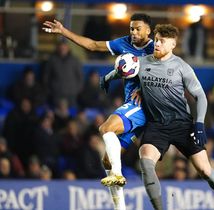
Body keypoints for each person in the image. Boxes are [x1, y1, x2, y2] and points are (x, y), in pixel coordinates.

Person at [43, 13, 154, 210]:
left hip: (143, 106)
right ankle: (120, 207)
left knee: (105, 128)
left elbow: (168, 75)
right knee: (107, 160)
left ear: (148, 30)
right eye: (131, 28)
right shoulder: (124, 43)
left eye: (138, 28)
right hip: (133, 107)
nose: (134, 32)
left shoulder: (155, 49)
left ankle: (118, 176)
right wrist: (64, 31)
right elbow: (93, 45)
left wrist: (146, 90)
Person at [134, 24, 214, 210]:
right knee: (145, 160)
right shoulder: (142, 62)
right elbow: (126, 75)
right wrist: (135, 88)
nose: (157, 44)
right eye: (156, 39)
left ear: (173, 44)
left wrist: (199, 124)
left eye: (162, 41)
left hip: (182, 125)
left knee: (205, 170)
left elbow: (201, 96)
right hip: (157, 125)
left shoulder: (181, 67)